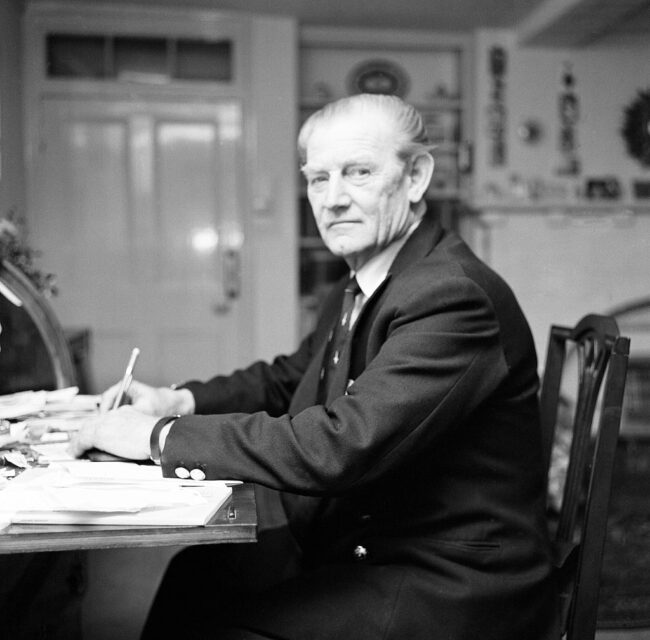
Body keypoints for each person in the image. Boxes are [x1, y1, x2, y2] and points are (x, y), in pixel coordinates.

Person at [71, 93, 560, 640]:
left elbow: (340, 445)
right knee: (197, 573)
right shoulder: (362, 282)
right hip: (366, 542)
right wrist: (176, 401)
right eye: (317, 178)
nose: (332, 199)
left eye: (358, 172)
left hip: (448, 581)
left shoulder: (450, 295)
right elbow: (288, 379)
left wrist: (159, 436)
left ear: (417, 176)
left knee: (224, 626)